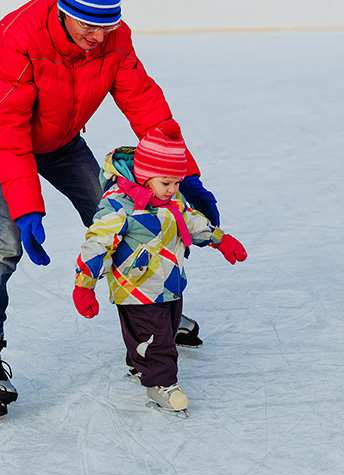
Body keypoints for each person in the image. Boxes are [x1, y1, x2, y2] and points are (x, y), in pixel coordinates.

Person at [0, 0, 219, 419]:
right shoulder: (19, 37)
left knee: (122, 220)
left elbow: (145, 103)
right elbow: (7, 131)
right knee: (3, 244)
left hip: (61, 137)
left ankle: (145, 320)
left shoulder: (113, 39)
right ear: (61, 11)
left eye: (107, 26)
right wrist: (26, 211)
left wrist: (184, 175)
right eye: (87, 26)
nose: (98, 37)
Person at [72, 128, 247, 414]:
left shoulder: (170, 199)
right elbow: (97, 244)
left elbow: (188, 220)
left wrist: (218, 239)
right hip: (135, 287)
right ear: (144, 175)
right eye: (166, 182)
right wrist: (85, 284)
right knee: (158, 338)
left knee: (162, 328)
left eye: (177, 182)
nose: (173, 189)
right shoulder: (118, 206)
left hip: (169, 282)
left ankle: (140, 360)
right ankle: (162, 383)